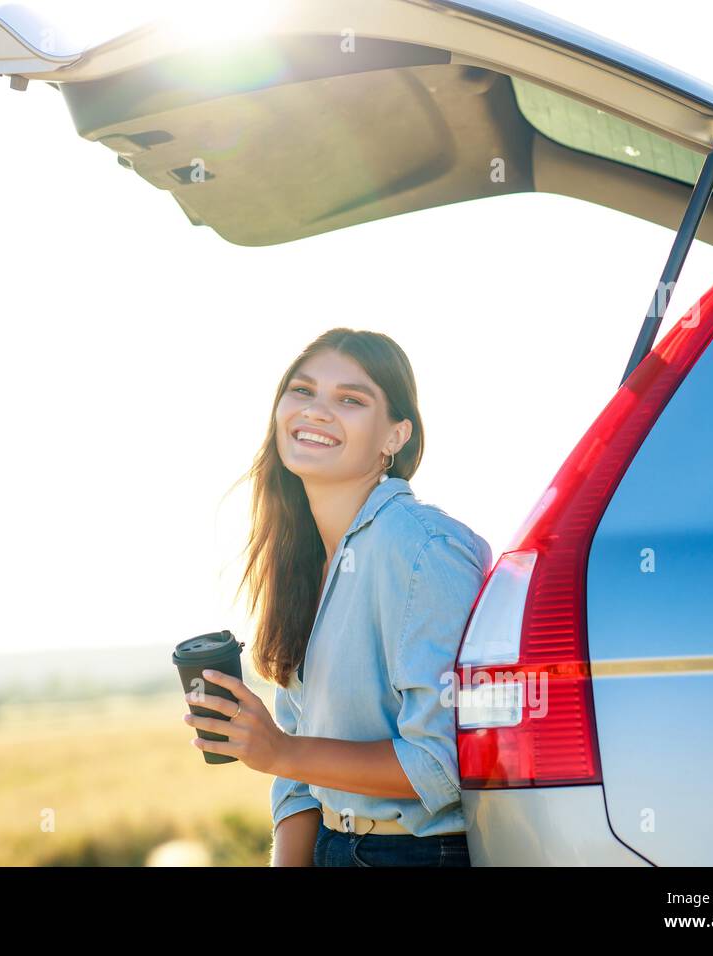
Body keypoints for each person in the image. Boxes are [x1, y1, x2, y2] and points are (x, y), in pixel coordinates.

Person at [180, 327, 492, 866]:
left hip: (416, 855)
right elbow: (299, 780)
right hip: (334, 848)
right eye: (302, 391)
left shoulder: (421, 549)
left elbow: (441, 767)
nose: (317, 411)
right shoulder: (306, 560)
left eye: (350, 399)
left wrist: (279, 750)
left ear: (395, 436)